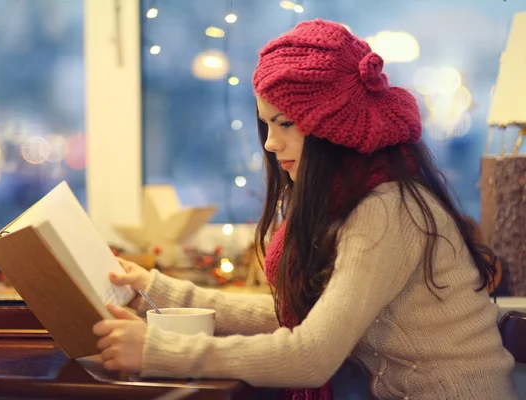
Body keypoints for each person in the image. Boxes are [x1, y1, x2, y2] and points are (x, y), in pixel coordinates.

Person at [92, 19, 517, 399]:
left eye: (286, 124)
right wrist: (153, 289)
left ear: (332, 127)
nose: (271, 144)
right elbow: (295, 318)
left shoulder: (386, 211)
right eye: (267, 124)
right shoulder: (363, 199)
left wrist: (158, 350)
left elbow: (310, 355)